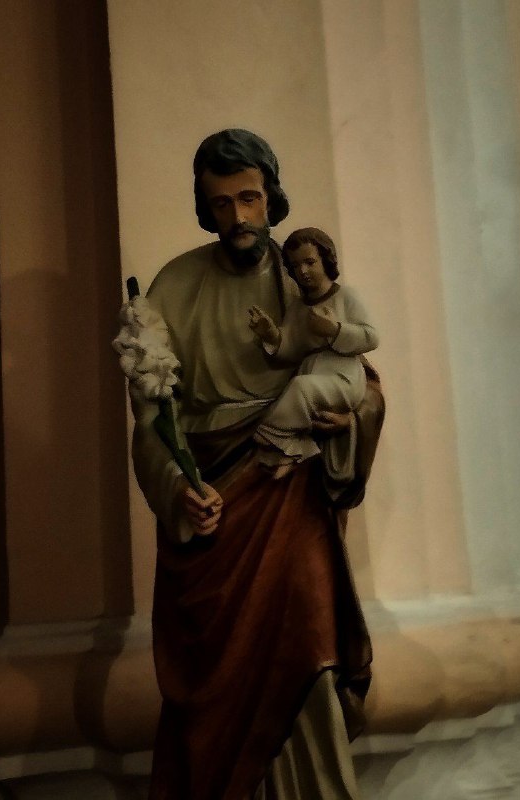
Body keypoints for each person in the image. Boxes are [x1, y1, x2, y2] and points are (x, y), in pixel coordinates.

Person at [130, 129, 384, 800]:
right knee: (214, 686)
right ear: (203, 208)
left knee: (311, 657)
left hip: (290, 495)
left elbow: (358, 378)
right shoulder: (173, 288)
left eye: (249, 198)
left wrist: (349, 424)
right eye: (220, 205)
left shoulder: (304, 276)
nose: (239, 218)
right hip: (216, 504)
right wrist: (176, 488)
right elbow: (152, 425)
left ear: (271, 195)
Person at [249, 227, 379, 481]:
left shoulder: (345, 296)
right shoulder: (298, 307)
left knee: (300, 389)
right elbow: (290, 348)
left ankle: (276, 439)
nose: (303, 271)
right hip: (315, 375)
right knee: (301, 387)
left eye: (310, 262)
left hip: (343, 377)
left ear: (326, 259)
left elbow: (371, 337)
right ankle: (294, 450)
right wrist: (272, 336)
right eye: (296, 266)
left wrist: (335, 330)